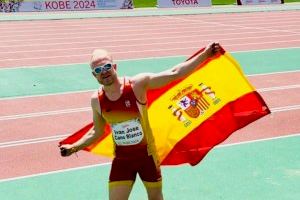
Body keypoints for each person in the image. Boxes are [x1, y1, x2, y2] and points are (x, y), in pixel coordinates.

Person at [60, 42, 221, 200]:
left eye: (107, 67)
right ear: (94, 75)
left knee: (155, 197)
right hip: (122, 160)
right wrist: (74, 147)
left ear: (114, 67)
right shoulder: (97, 100)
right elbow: (97, 131)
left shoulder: (137, 85)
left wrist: (205, 55)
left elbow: (174, 73)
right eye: (98, 70)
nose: (104, 72)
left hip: (147, 157)